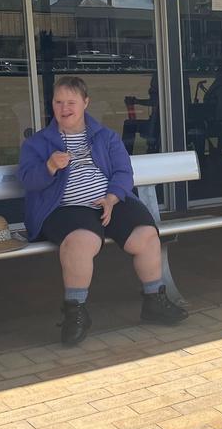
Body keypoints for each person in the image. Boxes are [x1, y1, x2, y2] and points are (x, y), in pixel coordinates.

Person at [18, 75, 188, 347]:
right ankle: (76, 312)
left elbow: (123, 172)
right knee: (81, 241)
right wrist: (49, 167)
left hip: (109, 201)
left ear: (85, 102)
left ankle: (154, 301)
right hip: (64, 208)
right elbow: (28, 180)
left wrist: (111, 198)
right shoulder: (38, 144)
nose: (64, 108)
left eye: (71, 102)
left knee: (145, 235)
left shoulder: (105, 137)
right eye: (58, 102)